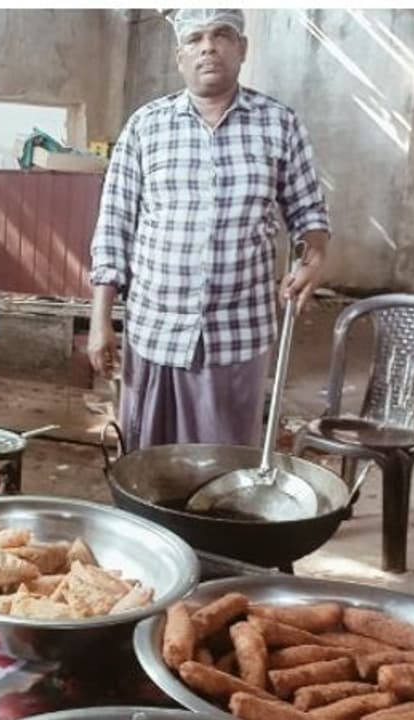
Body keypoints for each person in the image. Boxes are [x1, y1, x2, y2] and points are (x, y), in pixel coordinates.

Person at [88, 9, 331, 451]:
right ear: (180, 57)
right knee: (145, 462)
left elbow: (309, 212)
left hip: (237, 332)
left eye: (221, 35)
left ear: (242, 49)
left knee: (225, 465)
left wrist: (313, 257)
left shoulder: (279, 124)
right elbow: (114, 227)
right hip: (155, 328)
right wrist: (100, 321)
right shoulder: (146, 126)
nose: (208, 47)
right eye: (195, 38)